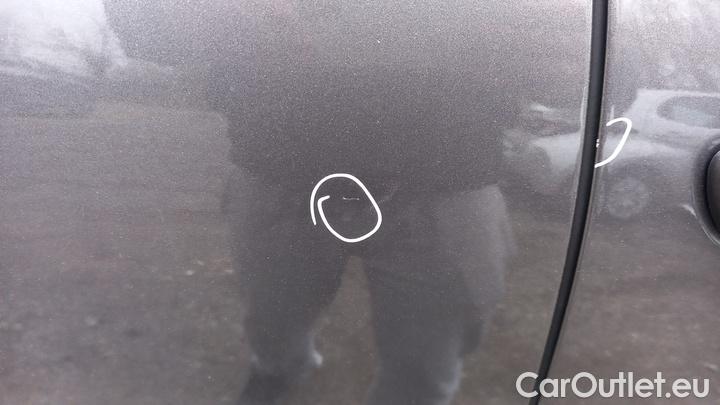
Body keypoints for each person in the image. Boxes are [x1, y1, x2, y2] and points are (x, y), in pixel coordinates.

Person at [210, 2, 518, 404]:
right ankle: (278, 367)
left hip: (447, 178)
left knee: (424, 368)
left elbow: (573, 53)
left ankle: (284, 368)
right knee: (272, 318)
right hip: (278, 163)